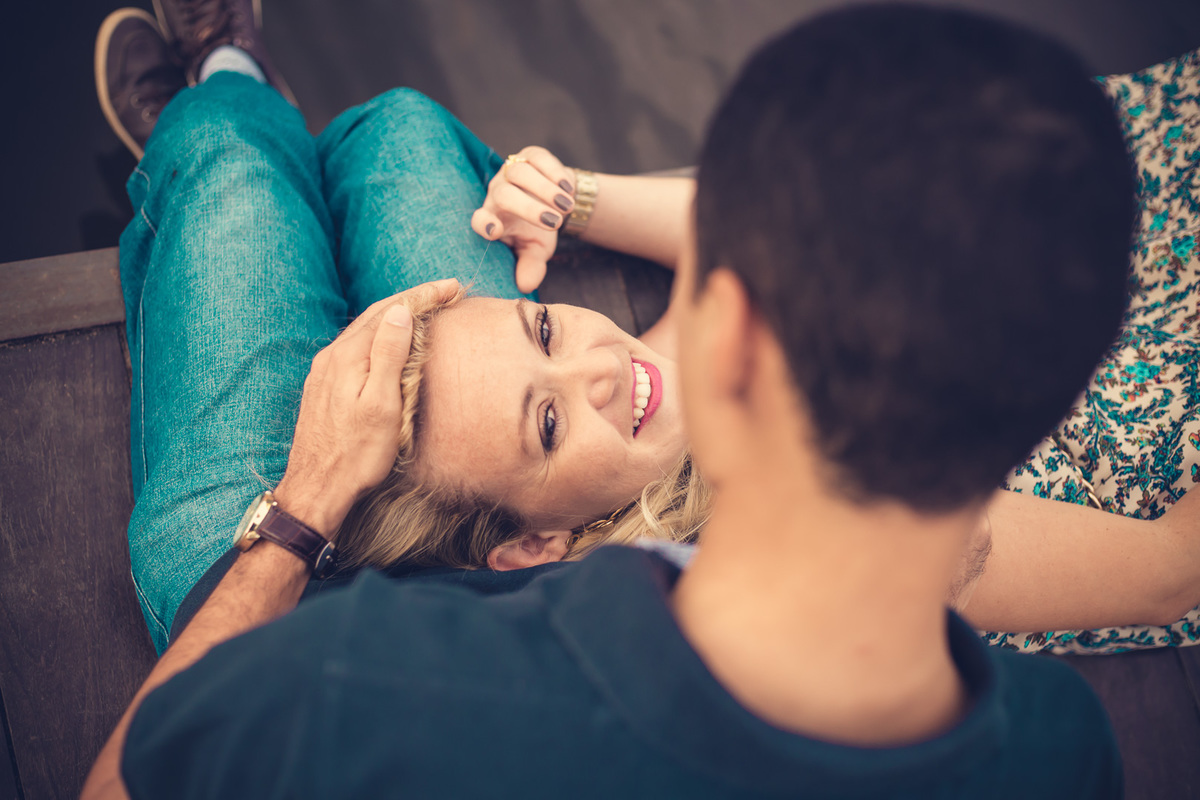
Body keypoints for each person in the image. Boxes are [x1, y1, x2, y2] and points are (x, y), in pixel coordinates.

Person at [84, 3, 1132, 797]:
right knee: (398, 130)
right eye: (544, 324)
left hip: (269, 565)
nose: (602, 363)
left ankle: (216, 96)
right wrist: (571, 204)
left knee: (230, 174)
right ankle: (247, 110)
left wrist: (307, 497)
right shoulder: (1063, 747)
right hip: (503, 451)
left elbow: (129, 775)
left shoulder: (364, 674)